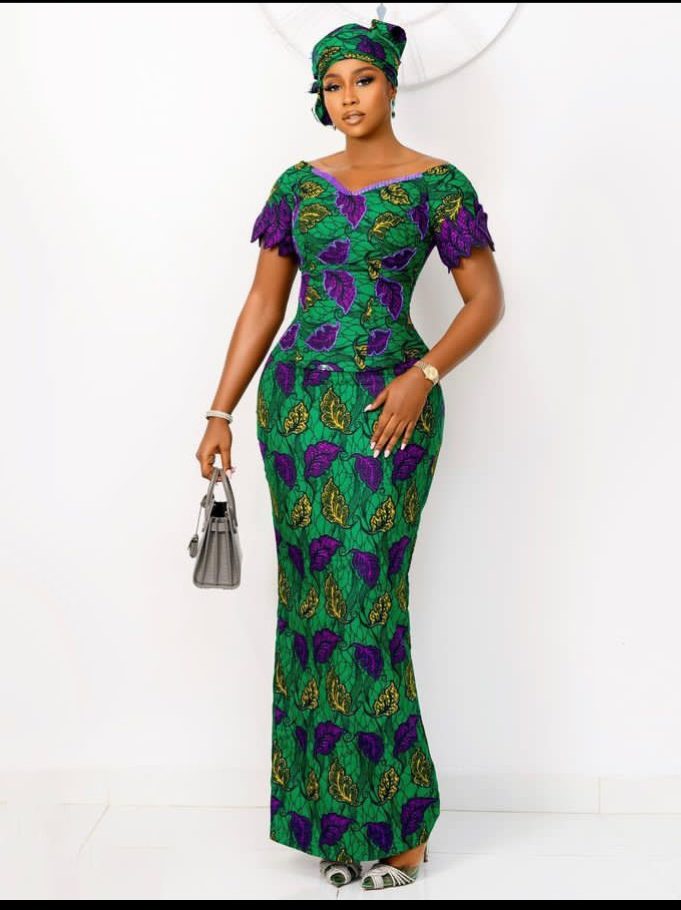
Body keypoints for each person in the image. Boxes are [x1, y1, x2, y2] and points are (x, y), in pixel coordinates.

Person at [195, 16, 504, 891]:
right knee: (312, 605)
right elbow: (264, 304)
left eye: (362, 80)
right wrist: (219, 409)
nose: (347, 98)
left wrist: (423, 374)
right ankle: (334, 819)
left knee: (368, 601)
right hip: (296, 411)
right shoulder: (298, 187)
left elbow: (485, 300)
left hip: (387, 410)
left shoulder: (438, 186)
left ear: (392, 85)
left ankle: (401, 831)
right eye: (331, 86)